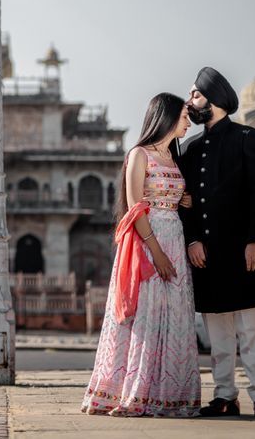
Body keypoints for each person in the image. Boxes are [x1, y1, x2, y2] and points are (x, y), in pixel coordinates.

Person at [81, 93, 200, 417]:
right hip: (148, 244)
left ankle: (168, 396)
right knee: (143, 318)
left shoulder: (174, 158)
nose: (188, 123)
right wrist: (157, 253)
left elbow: (171, 197)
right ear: (168, 117)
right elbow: (135, 207)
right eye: (184, 117)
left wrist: (182, 200)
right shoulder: (140, 154)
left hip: (174, 236)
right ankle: (133, 393)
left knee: (173, 320)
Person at [178, 67, 255, 420]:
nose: (190, 101)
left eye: (196, 95)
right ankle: (225, 395)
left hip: (241, 251)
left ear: (215, 99)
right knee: (217, 333)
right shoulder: (190, 147)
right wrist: (192, 240)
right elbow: (184, 199)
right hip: (207, 254)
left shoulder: (246, 138)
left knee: (249, 330)